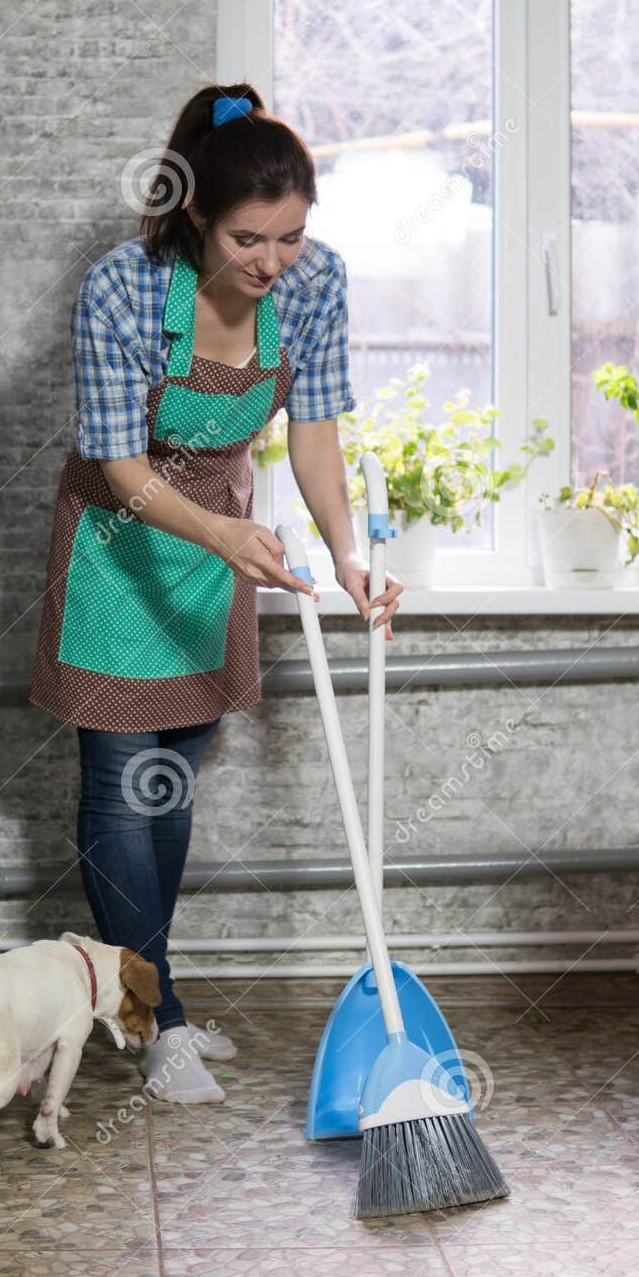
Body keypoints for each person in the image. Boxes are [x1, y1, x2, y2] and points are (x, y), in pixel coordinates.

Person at [30, 84, 403, 1104]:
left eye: (289, 237)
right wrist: (225, 534)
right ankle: (158, 1023)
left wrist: (346, 556)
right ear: (196, 214)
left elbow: (316, 435)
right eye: (248, 238)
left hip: (213, 555)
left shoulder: (317, 284)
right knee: (117, 782)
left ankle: (158, 1000)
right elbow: (115, 461)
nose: (271, 262)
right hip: (122, 545)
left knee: (172, 782)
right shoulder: (120, 287)